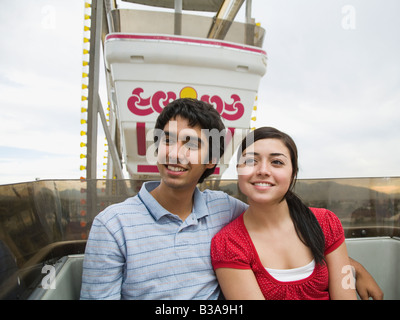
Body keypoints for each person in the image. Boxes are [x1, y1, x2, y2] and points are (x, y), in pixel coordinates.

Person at [81, 98, 382, 300]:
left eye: (192, 144)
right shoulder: (112, 226)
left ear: (211, 159)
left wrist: (350, 265)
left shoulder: (223, 208)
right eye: (167, 140)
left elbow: (284, 228)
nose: (175, 154)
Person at [211, 127, 357, 299]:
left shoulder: (325, 222)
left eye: (277, 162)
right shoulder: (229, 244)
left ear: (293, 172)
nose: (263, 170)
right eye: (251, 161)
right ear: (238, 170)